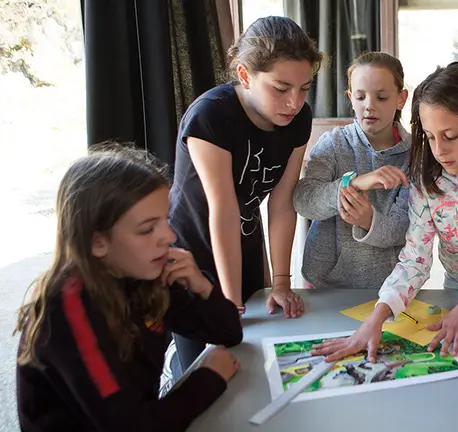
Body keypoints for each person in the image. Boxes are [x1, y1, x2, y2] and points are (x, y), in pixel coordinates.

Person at [313, 61, 458, 362]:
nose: (439, 150)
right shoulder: (428, 179)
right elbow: (415, 260)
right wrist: (375, 320)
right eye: (430, 136)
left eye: (450, 136)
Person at [15, 147, 243, 431]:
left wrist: (202, 286)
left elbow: (229, 333)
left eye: (165, 219)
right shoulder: (65, 310)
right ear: (97, 243)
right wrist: (208, 377)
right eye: (148, 229)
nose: (169, 236)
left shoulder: (146, 272)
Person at [168, 16, 323, 373]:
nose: (295, 102)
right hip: (191, 252)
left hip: (245, 246)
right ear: (244, 75)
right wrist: (229, 300)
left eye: (304, 88)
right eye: (281, 87)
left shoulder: (298, 119)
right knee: (202, 370)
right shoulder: (211, 117)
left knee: (254, 363)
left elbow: (283, 202)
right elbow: (221, 211)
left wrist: (281, 282)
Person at [293, 51, 410, 290]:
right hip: (323, 282)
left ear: (401, 99)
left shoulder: (415, 157)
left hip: (389, 287)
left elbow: (406, 228)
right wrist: (355, 183)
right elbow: (304, 201)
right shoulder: (333, 143)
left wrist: (367, 220)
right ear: (350, 97)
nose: (369, 106)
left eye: (382, 97)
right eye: (360, 96)